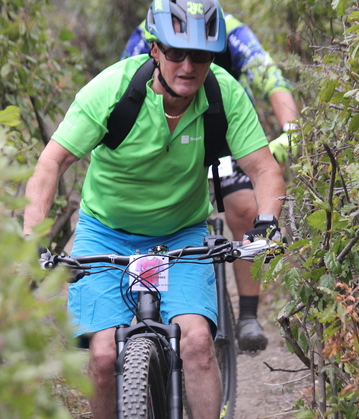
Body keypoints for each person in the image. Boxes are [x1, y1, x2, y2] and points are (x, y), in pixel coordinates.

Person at [24, 0, 285, 419]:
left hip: (180, 234)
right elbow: (52, 161)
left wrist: (266, 224)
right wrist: (31, 235)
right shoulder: (112, 90)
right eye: (175, 53)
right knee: (103, 356)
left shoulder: (221, 94)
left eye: (200, 56)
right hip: (106, 233)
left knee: (197, 342)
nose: (188, 66)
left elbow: (264, 169)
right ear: (154, 49)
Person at [122, 10, 300, 352]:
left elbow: (270, 78)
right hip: (164, 139)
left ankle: (248, 313)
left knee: (245, 206)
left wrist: (290, 128)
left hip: (220, 134)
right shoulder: (149, 31)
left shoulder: (231, 31)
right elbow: (124, 83)